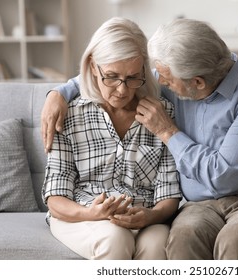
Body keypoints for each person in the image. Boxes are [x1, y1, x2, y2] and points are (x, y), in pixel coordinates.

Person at [41, 18, 238, 260]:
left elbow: (223, 176)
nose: (159, 81)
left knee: (237, 240)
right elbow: (116, 72)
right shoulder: (177, 79)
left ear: (198, 83)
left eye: (166, 78)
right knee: (182, 236)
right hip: (201, 207)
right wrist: (60, 93)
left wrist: (167, 131)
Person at [41, 17, 182, 260]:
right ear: (94, 66)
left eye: (132, 77)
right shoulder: (71, 113)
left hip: (145, 215)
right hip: (81, 214)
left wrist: (151, 216)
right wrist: (92, 214)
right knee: (116, 238)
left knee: (159, 244)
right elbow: (55, 198)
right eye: (112, 76)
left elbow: (168, 194)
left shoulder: (162, 113)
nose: (122, 89)